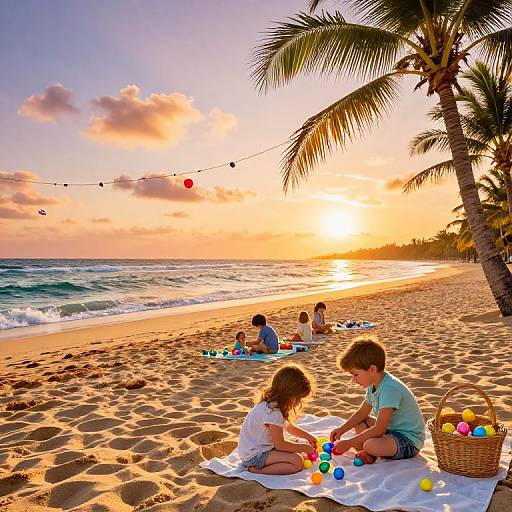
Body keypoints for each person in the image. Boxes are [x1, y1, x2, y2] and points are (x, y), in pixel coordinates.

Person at [329, 335, 425, 464]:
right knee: (360, 421)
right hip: (391, 432)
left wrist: (349, 443)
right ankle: (369, 452)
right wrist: (342, 429)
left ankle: (369, 451)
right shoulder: (373, 385)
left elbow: (379, 429)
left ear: (372, 369)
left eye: (355, 374)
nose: (353, 379)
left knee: (369, 444)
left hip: (408, 441)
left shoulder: (389, 388)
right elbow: (361, 413)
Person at [238, 364, 316, 474]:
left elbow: (289, 428)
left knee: (296, 448)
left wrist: (308, 436)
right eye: (297, 398)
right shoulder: (273, 412)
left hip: (259, 448)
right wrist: (303, 448)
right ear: (287, 394)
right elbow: (280, 445)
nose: (298, 402)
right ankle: (259, 471)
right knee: (297, 462)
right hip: (254, 456)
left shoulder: (273, 403)